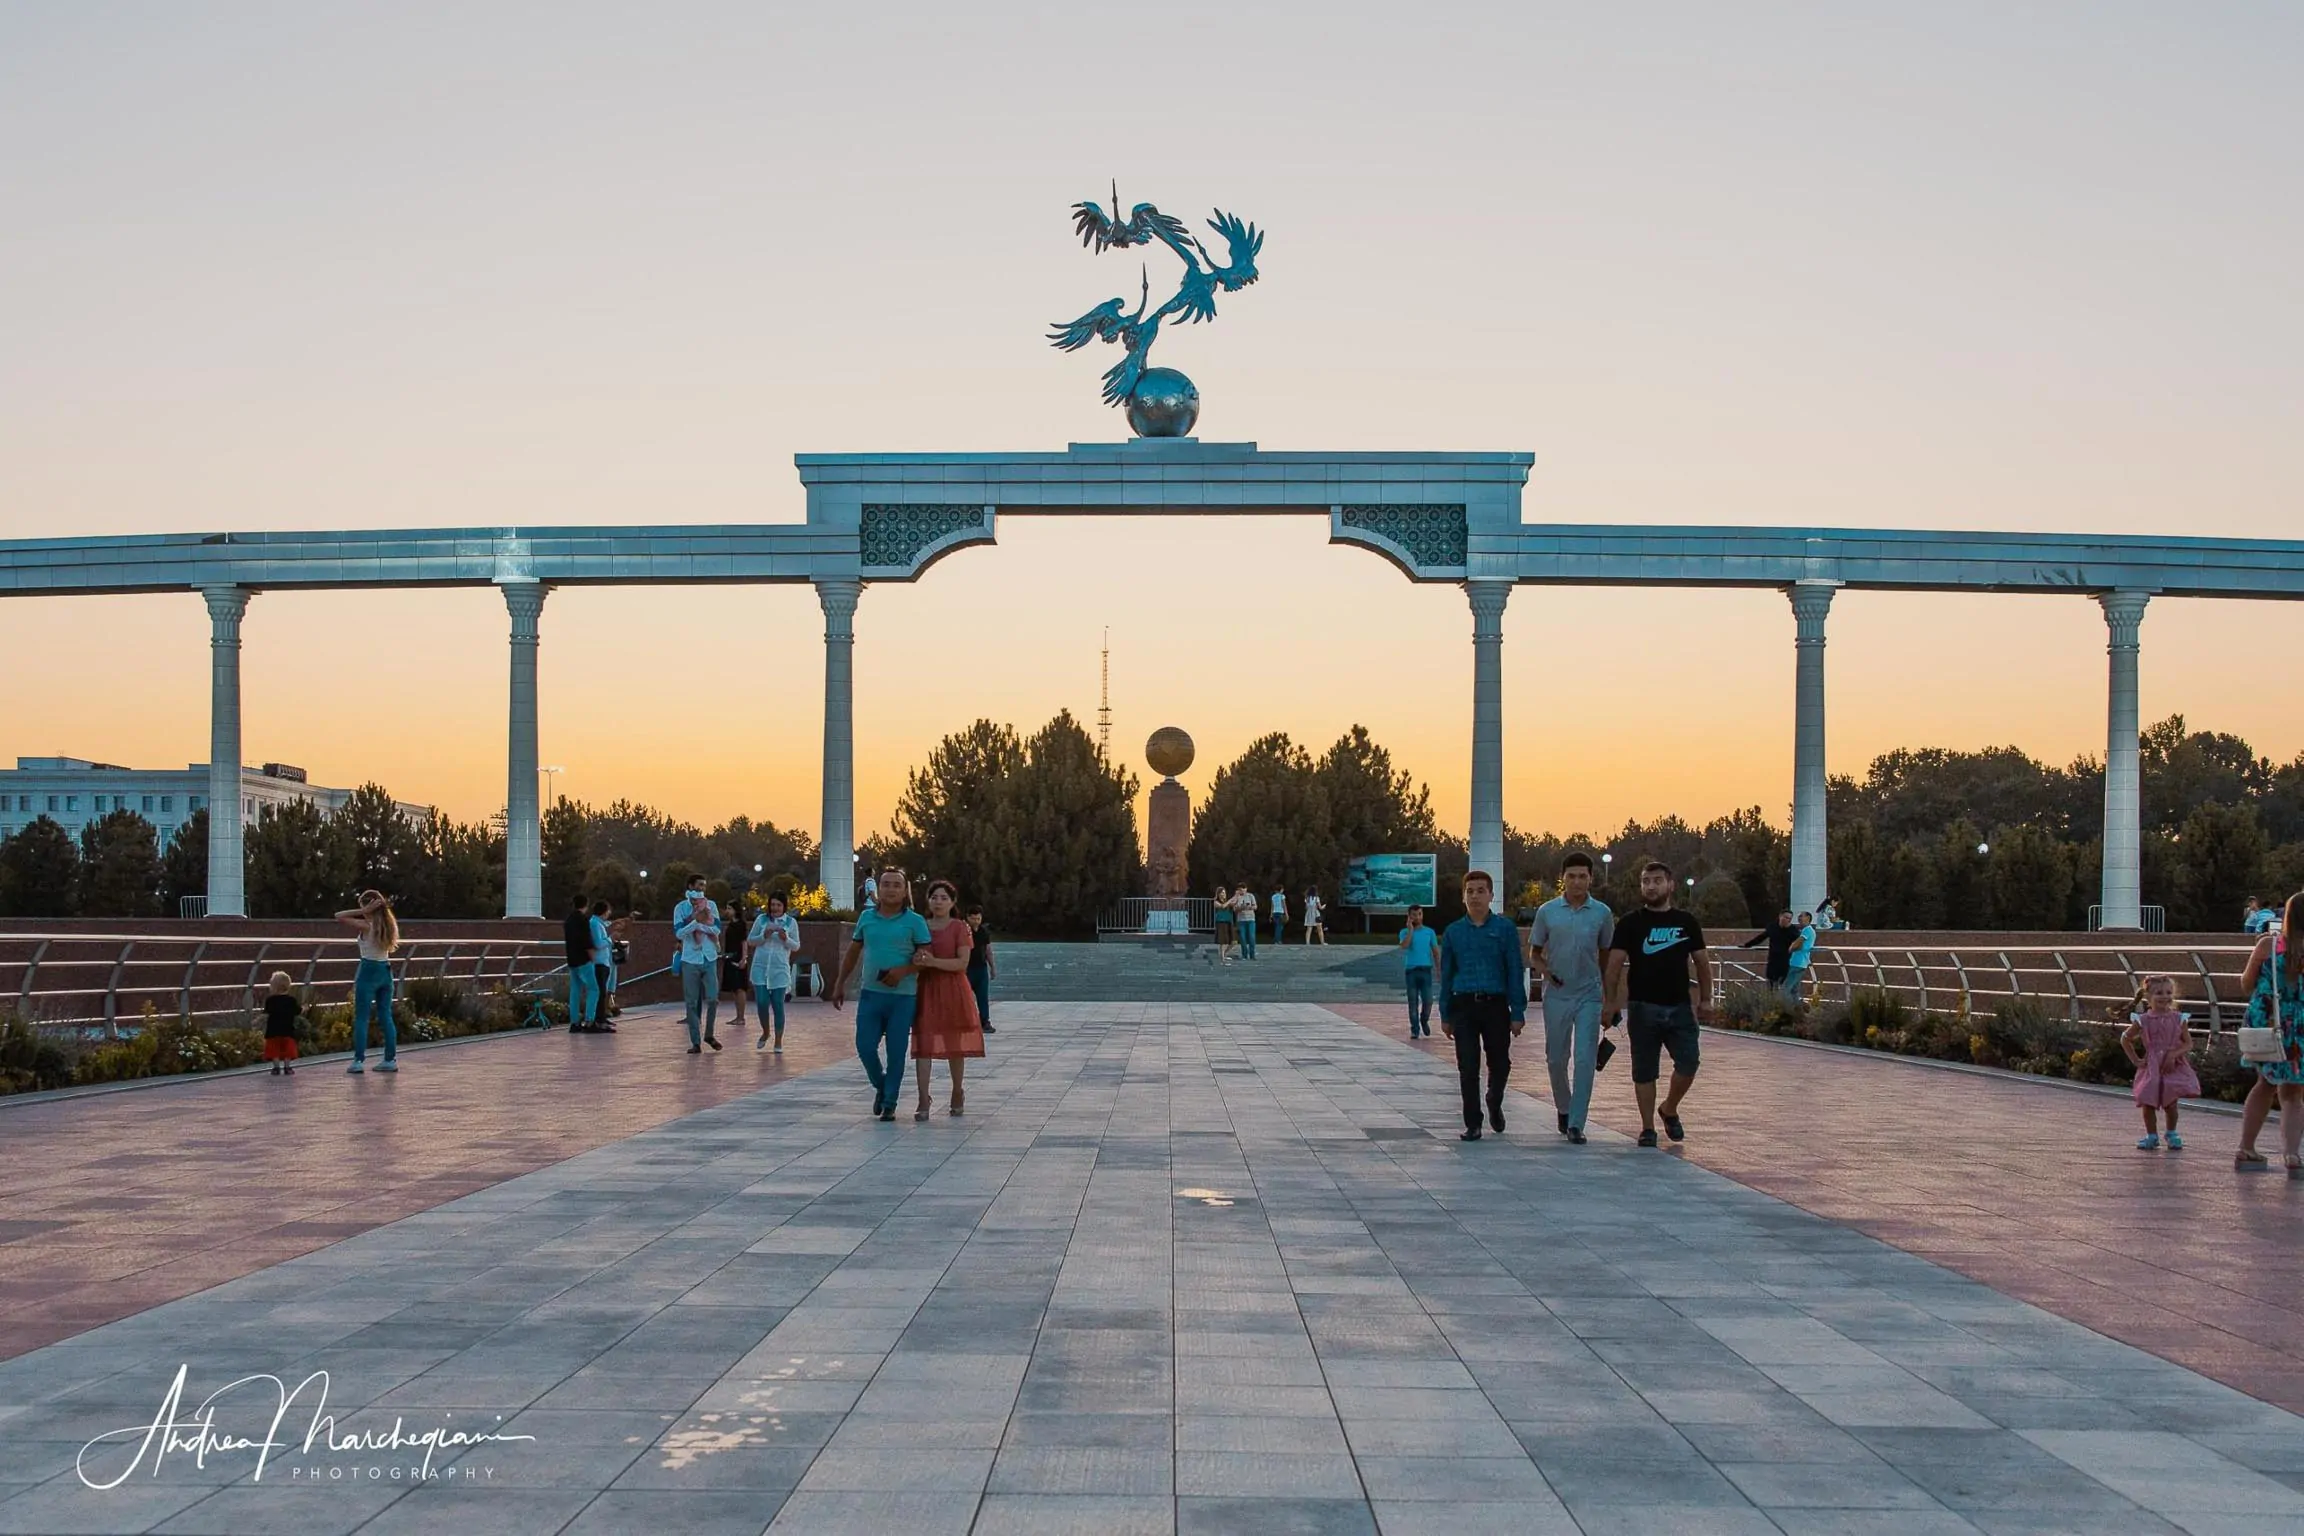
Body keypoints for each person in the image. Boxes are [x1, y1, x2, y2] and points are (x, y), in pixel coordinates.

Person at [1605, 860, 1714, 1148]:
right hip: (1642, 1007)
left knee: (1689, 1063)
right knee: (1644, 1069)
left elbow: (1702, 963)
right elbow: (1615, 965)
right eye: (1645, 881)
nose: (1650, 886)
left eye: (1656, 881)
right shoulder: (1630, 923)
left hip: (1679, 1006)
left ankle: (1669, 1108)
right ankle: (1647, 1128)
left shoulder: (1686, 921)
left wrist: (1706, 999)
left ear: (1670, 885)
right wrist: (1611, 1002)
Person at [829, 865, 932, 1121]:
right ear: (878, 888)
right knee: (865, 1047)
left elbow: (926, 958)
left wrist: (904, 970)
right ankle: (881, 1084)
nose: (890, 889)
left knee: (896, 1051)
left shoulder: (915, 922)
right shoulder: (866, 919)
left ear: (905, 890)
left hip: (903, 997)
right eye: (886, 884)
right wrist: (840, 982)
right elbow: (853, 953)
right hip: (871, 994)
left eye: (897, 884)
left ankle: (889, 1103)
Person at [1527, 852, 1615, 1145]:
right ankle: (1564, 1108)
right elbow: (1534, 954)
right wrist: (1547, 973)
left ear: (1591, 878)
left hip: (1589, 995)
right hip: (1558, 995)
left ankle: (1577, 1121)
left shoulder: (1602, 913)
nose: (1577, 881)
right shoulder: (1547, 912)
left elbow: (1607, 956)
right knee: (1556, 1058)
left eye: (1582, 876)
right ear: (1562, 878)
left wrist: (1608, 995)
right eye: (1571, 876)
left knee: (1585, 1058)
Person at [1438, 870, 1526, 1142]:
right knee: (1467, 1065)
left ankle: (1494, 1099)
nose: (1475, 896)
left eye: (1480, 890)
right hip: (1464, 1004)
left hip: (1495, 1004)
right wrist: (1445, 1013)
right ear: (1463, 896)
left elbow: (1514, 969)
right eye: (1470, 891)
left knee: (1500, 1062)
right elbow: (1447, 974)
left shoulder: (1504, 929)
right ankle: (1473, 1122)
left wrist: (1518, 1011)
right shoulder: (1453, 932)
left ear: (1491, 895)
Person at [2234, 892, 2304, 1174]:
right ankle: (2292, 1155)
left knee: (2264, 1084)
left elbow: (2247, 985)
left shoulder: (2268, 945)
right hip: (2300, 1024)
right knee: (2294, 1092)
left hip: (2269, 1021)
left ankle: (2247, 1148)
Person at [911, 879, 986, 1118]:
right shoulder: (920, 925)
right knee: (923, 1045)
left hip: (954, 989)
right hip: (926, 988)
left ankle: (957, 1091)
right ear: (928, 900)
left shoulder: (959, 927)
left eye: (944, 898)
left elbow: (962, 963)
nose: (939, 902)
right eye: (934, 897)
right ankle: (923, 1098)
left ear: (953, 902)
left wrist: (933, 962)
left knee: (955, 1045)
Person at [2122, 975, 2198, 1151]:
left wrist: (2174, 1054)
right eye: (2159, 993)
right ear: (2148, 997)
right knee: (2148, 1100)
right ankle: (2151, 1135)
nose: (2165, 996)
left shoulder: (2179, 1018)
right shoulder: (2143, 1020)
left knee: (2171, 1101)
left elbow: (2188, 1043)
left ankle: (2171, 1132)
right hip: (2152, 1065)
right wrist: (2136, 1060)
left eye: (2169, 992)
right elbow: (2125, 1038)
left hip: (2172, 1066)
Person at [333, 889, 399, 1074]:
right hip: (385, 970)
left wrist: (363, 910)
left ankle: (358, 1060)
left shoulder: (367, 926)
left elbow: (338, 916)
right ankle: (390, 1058)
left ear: (368, 907)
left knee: (362, 1017)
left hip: (368, 970)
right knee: (385, 1015)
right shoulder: (388, 925)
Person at [747, 892, 800, 1052]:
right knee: (762, 1002)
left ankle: (778, 1041)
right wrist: (764, 935)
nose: (775, 908)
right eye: (772, 905)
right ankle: (765, 1032)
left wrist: (786, 939)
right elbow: (751, 941)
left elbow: (796, 945)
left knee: (778, 1005)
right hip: (761, 967)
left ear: (784, 906)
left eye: (778, 905)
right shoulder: (761, 920)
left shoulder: (791, 923)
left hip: (779, 968)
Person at [675, 888, 724, 1053]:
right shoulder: (680, 908)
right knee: (691, 1002)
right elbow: (679, 933)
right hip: (690, 959)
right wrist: (695, 922)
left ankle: (709, 1034)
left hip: (708, 957)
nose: (697, 901)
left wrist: (702, 924)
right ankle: (695, 1041)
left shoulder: (711, 906)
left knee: (712, 999)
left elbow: (716, 929)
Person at [1397, 905, 1440, 1037]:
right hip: (1411, 971)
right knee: (1413, 1001)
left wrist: (1439, 970)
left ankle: (1424, 1020)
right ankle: (1415, 1029)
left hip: (1425, 970)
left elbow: (1435, 952)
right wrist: (1410, 930)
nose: (1417, 917)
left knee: (1428, 1000)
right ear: (1409, 916)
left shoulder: (1429, 932)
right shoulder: (1404, 932)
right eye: (1414, 915)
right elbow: (1404, 946)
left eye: (1419, 914)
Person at [562, 892, 600, 1032]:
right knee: (594, 989)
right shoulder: (583, 920)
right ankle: (589, 1020)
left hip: (572, 960)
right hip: (583, 960)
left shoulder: (568, 920)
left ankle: (574, 1022)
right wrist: (593, 957)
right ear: (586, 904)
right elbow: (586, 941)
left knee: (575, 991)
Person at [1740, 911, 1799, 994]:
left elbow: (1799, 941)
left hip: (1786, 960)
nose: (1787, 920)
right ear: (1780, 916)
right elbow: (1761, 937)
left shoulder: (1793, 930)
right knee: (1771, 982)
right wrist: (1747, 945)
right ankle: (1771, 1001)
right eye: (1785, 917)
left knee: (1784, 984)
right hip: (1773, 959)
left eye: (1789, 918)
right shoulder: (1772, 927)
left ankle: (1783, 1002)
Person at [720, 895, 753, 1034]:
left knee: (740, 987)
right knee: (734, 987)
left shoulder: (740, 924)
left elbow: (744, 942)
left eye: (729, 908)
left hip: (737, 957)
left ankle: (741, 1017)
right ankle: (737, 1016)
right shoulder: (731, 924)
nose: (727, 911)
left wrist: (744, 958)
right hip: (729, 957)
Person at [965, 903, 997, 1034]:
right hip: (967, 969)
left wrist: (992, 967)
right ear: (967, 917)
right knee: (965, 997)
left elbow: (988, 950)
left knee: (983, 997)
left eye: (978, 918)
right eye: (973, 918)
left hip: (981, 968)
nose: (976, 921)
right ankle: (966, 1021)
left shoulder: (984, 932)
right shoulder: (963, 930)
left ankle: (985, 1021)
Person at [262, 970, 300, 1077]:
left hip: (273, 1030)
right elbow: (297, 1011)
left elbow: (266, 1013)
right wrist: (305, 1008)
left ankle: (276, 1067)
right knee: (287, 1048)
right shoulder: (291, 1000)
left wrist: (257, 1020)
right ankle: (287, 1067)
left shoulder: (270, 1000)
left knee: (274, 1049)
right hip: (287, 1029)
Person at [589, 900, 619, 1032]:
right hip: (599, 962)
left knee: (603, 992)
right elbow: (598, 944)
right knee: (600, 993)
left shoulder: (599, 924)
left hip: (604, 962)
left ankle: (602, 1017)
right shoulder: (595, 924)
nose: (609, 913)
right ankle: (599, 1020)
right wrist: (610, 939)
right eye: (608, 910)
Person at [1786, 911, 1818, 999]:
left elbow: (1798, 943)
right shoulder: (1808, 930)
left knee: (1786, 987)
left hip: (1797, 962)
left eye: (1801, 916)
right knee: (1794, 989)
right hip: (1802, 963)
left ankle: (1785, 1007)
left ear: (1808, 918)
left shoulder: (1807, 930)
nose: (1799, 918)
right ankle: (1796, 1007)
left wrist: (1790, 948)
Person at [1234, 884, 1260, 959]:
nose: (1241, 891)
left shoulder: (1250, 896)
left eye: (1242, 889)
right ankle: (1244, 954)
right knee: (1242, 937)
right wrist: (1240, 908)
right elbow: (1234, 909)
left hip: (1250, 919)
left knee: (1252, 937)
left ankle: (1252, 955)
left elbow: (1255, 907)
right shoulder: (1237, 897)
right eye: (1239, 889)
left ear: (1246, 889)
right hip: (1241, 920)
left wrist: (1249, 907)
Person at [1212, 884, 1236, 962]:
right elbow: (1222, 906)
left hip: (1229, 921)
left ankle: (1224, 954)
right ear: (1218, 894)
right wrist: (1230, 900)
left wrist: (1237, 896)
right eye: (1222, 893)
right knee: (1223, 941)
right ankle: (1222, 958)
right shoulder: (1216, 902)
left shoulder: (1227, 902)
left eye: (1224, 892)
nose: (1223, 894)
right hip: (1221, 922)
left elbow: (1233, 904)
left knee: (1233, 941)